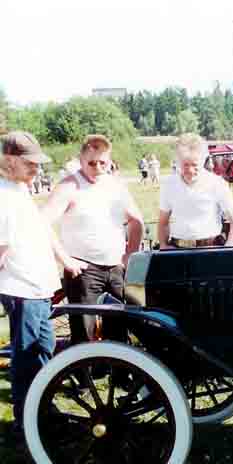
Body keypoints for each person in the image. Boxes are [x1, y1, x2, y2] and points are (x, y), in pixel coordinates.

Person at [0, 132, 84, 438]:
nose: (37, 169)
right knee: (26, 355)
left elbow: (42, 229)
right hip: (23, 290)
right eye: (30, 163)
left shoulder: (19, 189)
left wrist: (66, 259)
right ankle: (27, 422)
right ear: (9, 160)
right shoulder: (4, 197)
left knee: (44, 348)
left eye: (38, 163)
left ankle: (43, 408)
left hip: (39, 287)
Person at [42, 134, 144, 345]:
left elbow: (137, 221)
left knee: (119, 329)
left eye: (103, 162)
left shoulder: (116, 186)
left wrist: (129, 255)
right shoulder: (69, 186)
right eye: (91, 162)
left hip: (116, 267)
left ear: (110, 161)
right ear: (80, 160)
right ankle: (84, 374)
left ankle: (120, 376)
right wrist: (65, 260)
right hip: (83, 270)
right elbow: (42, 223)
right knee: (84, 333)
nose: (97, 167)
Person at [158, 133, 233, 249]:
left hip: (212, 250)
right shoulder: (169, 185)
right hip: (178, 251)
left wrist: (228, 250)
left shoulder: (217, 184)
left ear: (203, 160)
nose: (190, 170)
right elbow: (163, 222)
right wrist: (163, 245)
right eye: (185, 165)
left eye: (195, 165)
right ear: (178, 161)